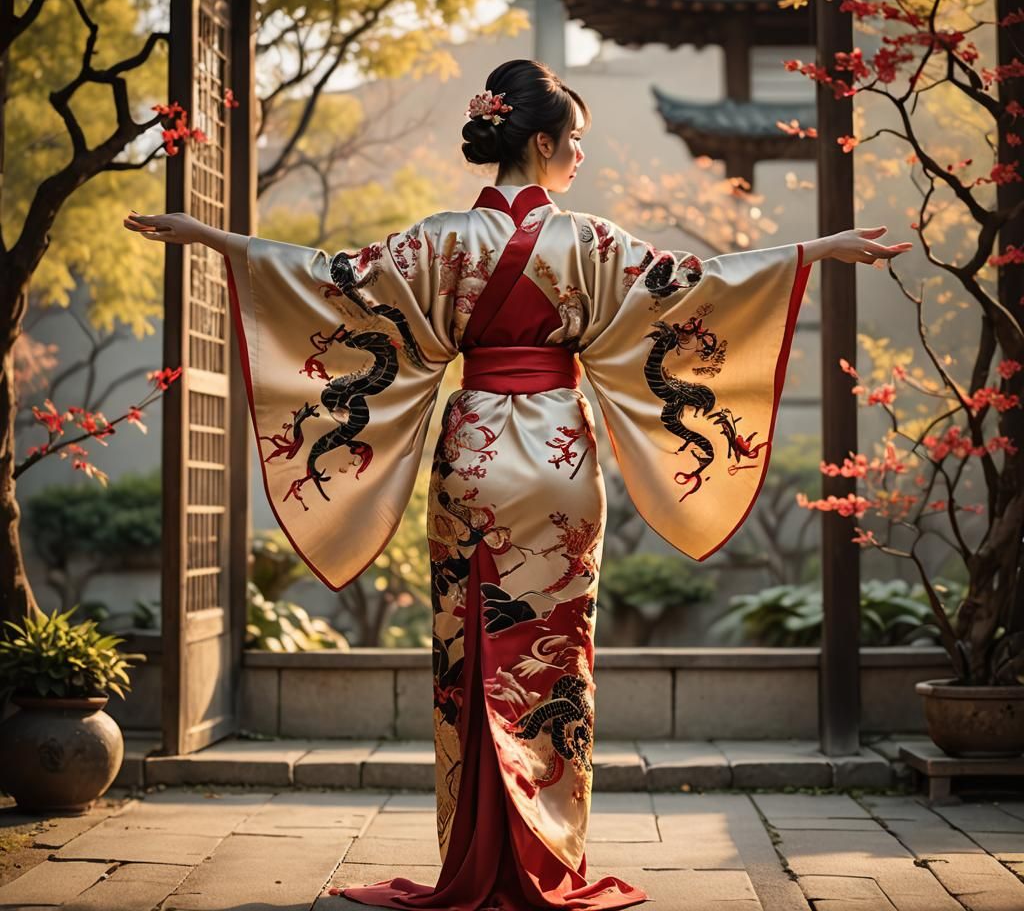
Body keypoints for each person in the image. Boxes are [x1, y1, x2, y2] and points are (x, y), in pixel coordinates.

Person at [124, 58, 912, 911]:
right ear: (541, 144)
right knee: (557, 656)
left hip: (472, 457)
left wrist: (213, 238)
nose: (580, 156)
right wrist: (815, 251)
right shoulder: (591, 243)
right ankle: (548, 858)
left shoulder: (438, 240)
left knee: (468, 649)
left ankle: (474, 857)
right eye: (574, 140)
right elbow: (700, 286)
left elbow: (329, 280)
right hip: (561, 463)